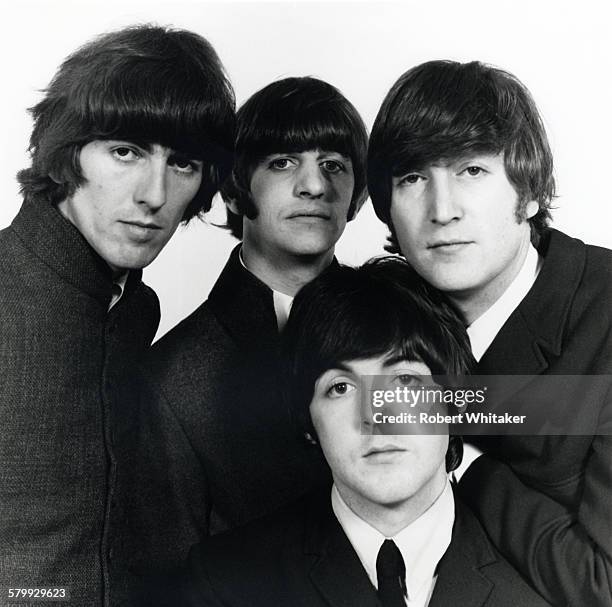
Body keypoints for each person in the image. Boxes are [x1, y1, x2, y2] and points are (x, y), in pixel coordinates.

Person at [0, 24, 235, 607]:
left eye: (182, 164)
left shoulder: (136, 309)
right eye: (125, 151)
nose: (153, 194)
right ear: (65, 151)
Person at [368, 59, 612, 605]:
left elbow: (603, 584)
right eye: (413, 178)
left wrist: (468, 463)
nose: (442, 210)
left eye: (471, 171)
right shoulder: (380, 317)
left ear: (527, 192)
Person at [180, 258, 550, 607]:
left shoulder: (546, 584)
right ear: (308, 421)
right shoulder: (224, 584)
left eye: (405, 380)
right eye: (341, 387)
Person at [126, 76, 369, 579]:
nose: (315, 185)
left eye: (334, 165)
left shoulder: (404, 322)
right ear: (234, 192)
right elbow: (169, 577)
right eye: (282, 163)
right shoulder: (170, 376)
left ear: (358, 196)